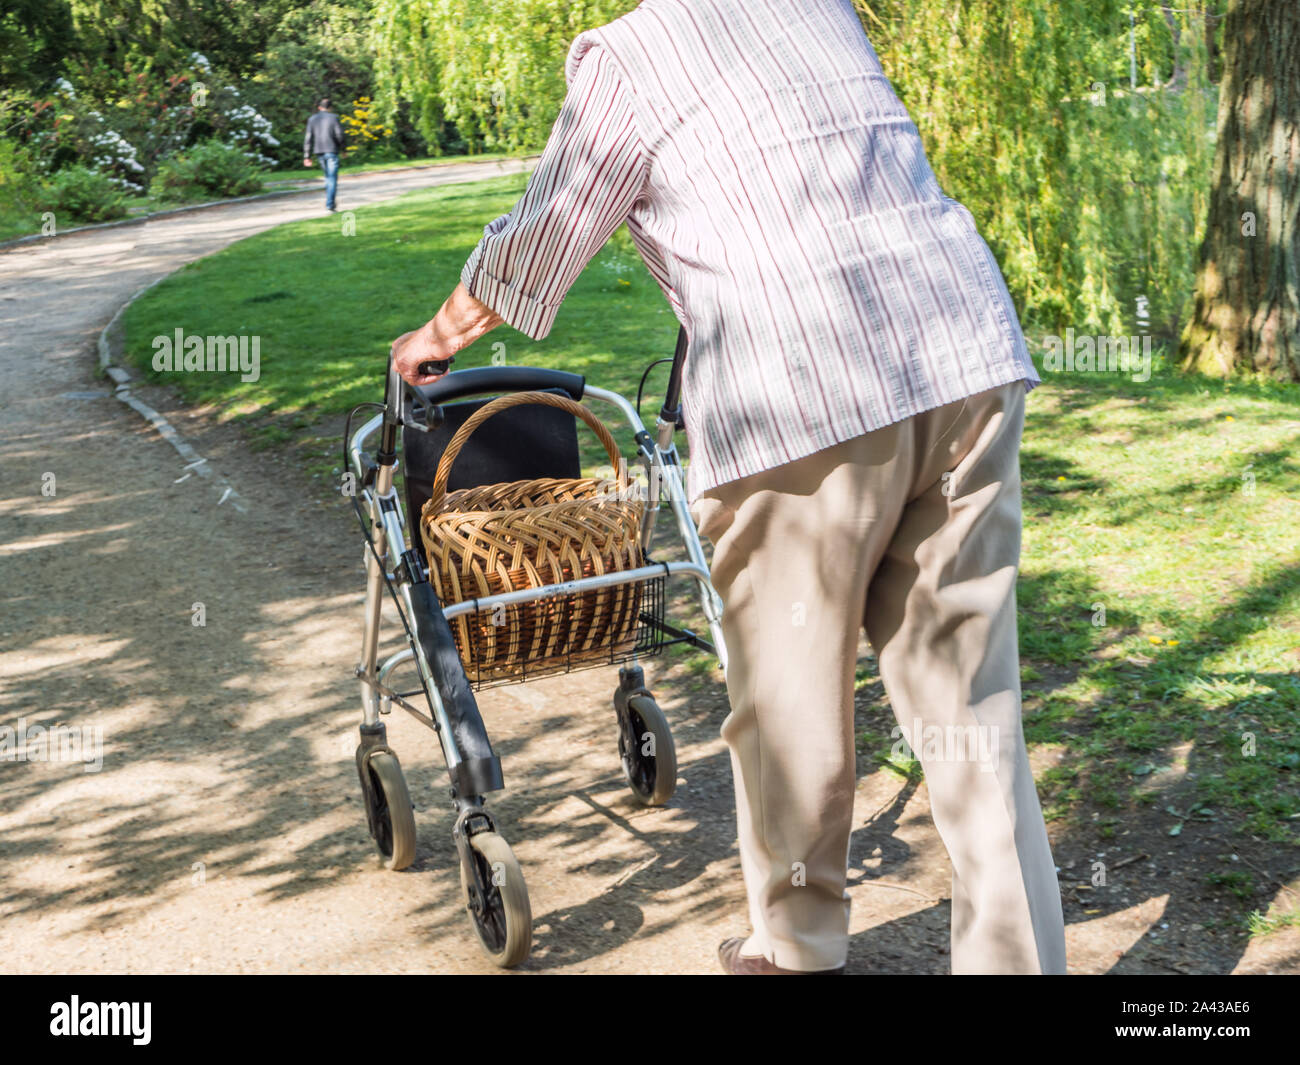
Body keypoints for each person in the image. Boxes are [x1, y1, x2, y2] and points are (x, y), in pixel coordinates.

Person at [391, 0, 1068, 976]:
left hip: (803, 386)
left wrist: (437, 339)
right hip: (962, 350)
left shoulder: (627, 58)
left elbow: (546, 236)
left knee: (792, 699)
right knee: (969, 709)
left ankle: (794, 948)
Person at [302, 97, 344, 212]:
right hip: (332, 150)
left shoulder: (312, 119)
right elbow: (339, 135)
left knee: (328, 177)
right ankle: (330, 204)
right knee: (332, 178)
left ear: (319, 107)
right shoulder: (334, 118)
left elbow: (308, 138)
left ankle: (330, 203)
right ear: (330, 108)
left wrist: (307, 156)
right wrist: (344, 149)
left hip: (319, 151)